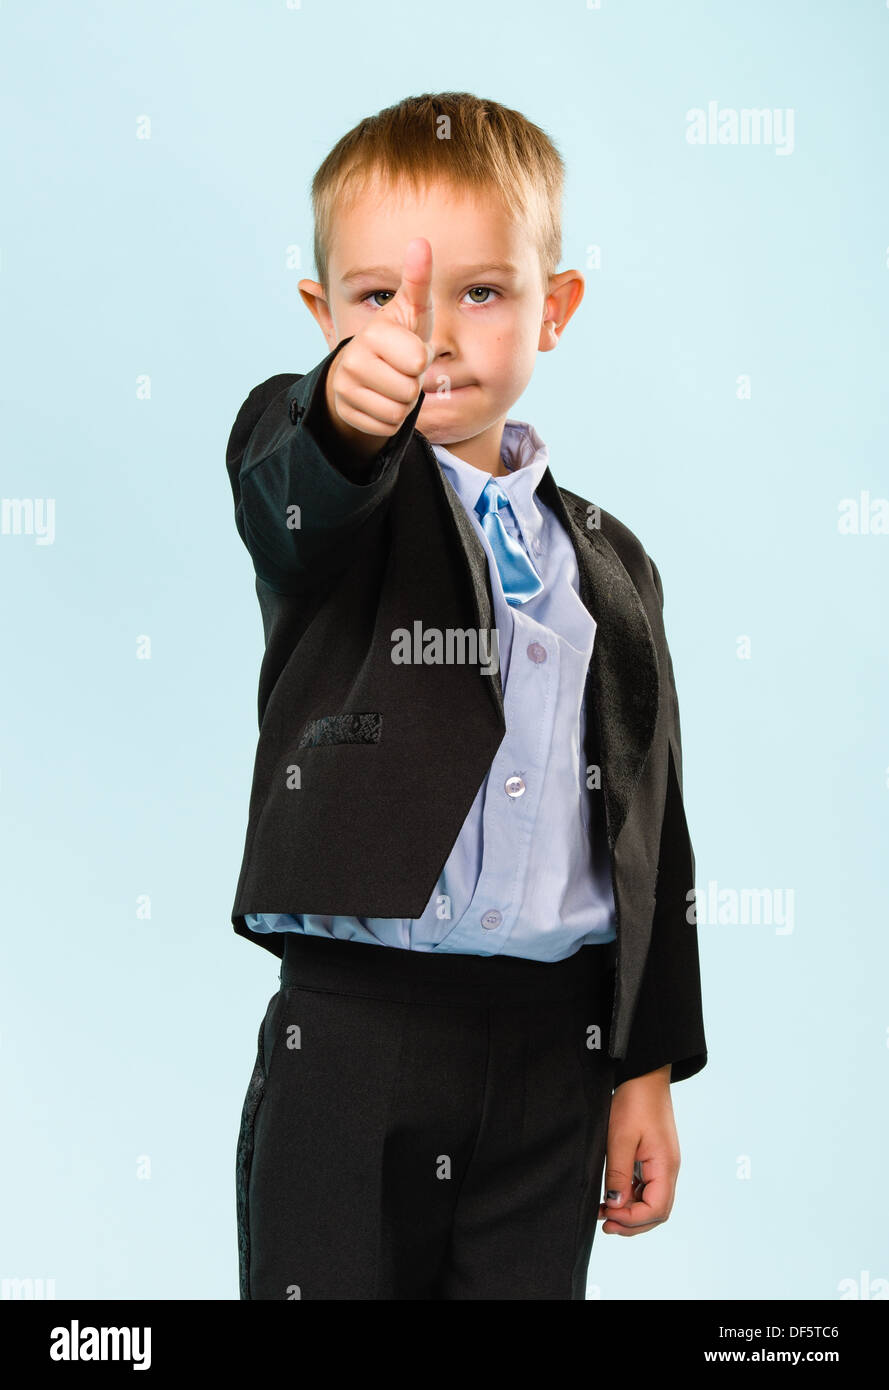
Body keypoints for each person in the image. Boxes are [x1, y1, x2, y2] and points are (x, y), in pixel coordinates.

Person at [227, 91, 707, 1300]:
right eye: (379, 297)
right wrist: (334, 414)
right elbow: (291, 479)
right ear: (321, 319)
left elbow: (649, 828)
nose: (425, 331)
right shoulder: (328, 502)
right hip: (351, 1032)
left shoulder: (611, 563)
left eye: (478, 292)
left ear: (556, 306)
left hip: (555, 1049)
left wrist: (640, 1063)